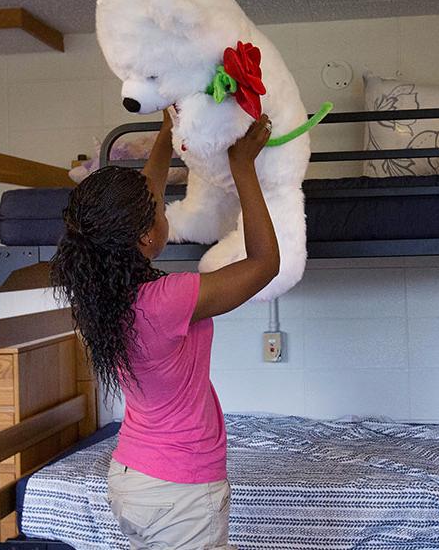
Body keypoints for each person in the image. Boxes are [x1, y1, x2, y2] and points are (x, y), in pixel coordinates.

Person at [50, 108, 278, 549]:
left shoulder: (98, 290)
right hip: (180, 490)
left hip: (134, 477)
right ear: (145, 238)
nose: (161, 205)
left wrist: (167, 131)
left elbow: (145, 192)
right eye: (155, 209)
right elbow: (265, 263)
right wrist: (243, 168)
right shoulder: (166, 301)